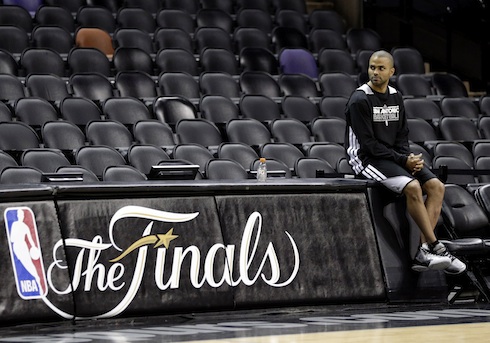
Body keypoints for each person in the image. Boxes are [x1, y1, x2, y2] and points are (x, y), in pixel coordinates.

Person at [345, 50, 466, 275]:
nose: (375, 72)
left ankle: (423, 251)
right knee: (412, 187)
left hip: (392, 156)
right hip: (365, 159)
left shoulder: (395, 96)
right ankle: (435, 246)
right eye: (372, 67)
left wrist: (408, 159)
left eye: (381, 68)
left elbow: (402, 134)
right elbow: (369, 145)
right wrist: (403, 160)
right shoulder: (359, 99)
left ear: (392, 71)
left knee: (436, 186)